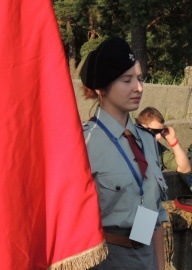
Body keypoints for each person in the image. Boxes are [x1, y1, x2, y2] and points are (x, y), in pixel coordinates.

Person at [81, 37, 168, 270]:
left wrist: (160, 266)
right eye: (127, 80)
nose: (138, 88)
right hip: (106, 260)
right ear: (102, 88)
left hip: (147, 256)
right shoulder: (83, 143)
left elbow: (156, 213)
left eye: (139, 79)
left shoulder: (147, 141)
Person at [136, 107, 192, 188]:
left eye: (160, 131)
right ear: (140, 127)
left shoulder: (157, 148)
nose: (159, 137)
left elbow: (185, 168)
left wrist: (173, 142)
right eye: (154, 131)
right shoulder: (128, 145)